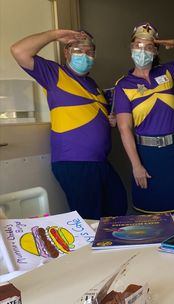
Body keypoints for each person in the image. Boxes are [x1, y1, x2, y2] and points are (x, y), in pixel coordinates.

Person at [10, 29, 128, 220]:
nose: (85, 56)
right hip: (75, 162)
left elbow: (92, 114)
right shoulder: (54, 74)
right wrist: (56, 35)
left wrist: (109, 120)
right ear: (66, 53)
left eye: (90, 52)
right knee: (91, 220)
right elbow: (18, 50)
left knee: (117, 206)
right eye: (79, 50)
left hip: (99, 162)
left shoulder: (92, 83)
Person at [114, 22, 174, 215]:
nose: (142, 51)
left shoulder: (168, 72)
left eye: (148, 46)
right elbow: (124, 129)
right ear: (131, 48)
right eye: (138, 45)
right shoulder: (123, 85)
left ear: (156, 50)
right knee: (150, 218)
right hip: (146, 156)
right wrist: (136, 166)